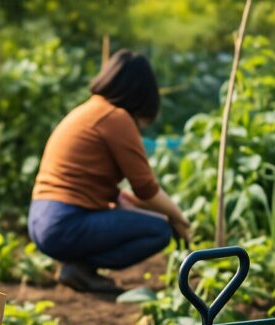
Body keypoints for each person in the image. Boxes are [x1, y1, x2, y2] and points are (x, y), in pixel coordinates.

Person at [28, 49, 191, 293]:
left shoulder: (90, 110)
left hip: (41, 218)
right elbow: (145, 188)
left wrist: (143, 207)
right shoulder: (115, 118)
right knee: (159, 230)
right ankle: (81, 268)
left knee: (151, 221)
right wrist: (180, 219)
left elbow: (123, 194)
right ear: (141, 93)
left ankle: (78, 268)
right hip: (64, 221)